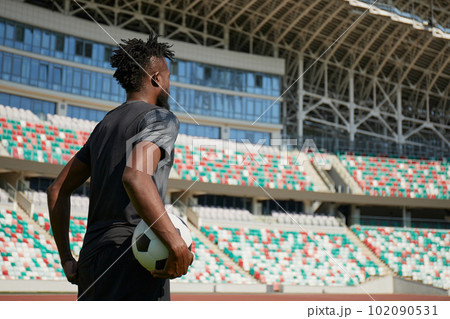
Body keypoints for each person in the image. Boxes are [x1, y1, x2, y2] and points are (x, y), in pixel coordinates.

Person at [47, 35, 193, 301]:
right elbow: (136, 177)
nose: (170, 85)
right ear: (156, 79)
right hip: (133, 260)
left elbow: (56, 190)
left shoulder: (104, 125)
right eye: (168, 78)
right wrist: (175, 243)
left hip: (91, 261)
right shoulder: (160, 118)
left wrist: (67, 258)